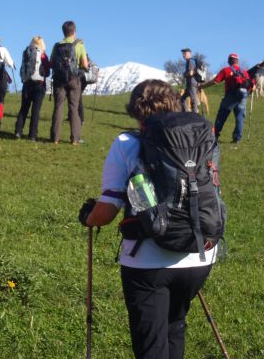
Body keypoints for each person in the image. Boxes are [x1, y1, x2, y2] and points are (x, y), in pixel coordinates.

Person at [79, 79, 218, 359]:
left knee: (151, 347)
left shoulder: (127, 143)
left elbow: (107, 211)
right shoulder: (202, 138)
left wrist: (87, 218)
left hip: (148, 261)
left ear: (135, 110)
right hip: (199, 255)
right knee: (175, 326)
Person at [199, 52, 253, 144]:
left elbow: (215, 82)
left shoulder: (226, 70)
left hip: (230, 96)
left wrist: (202, 86)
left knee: (221, 116)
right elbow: (251, 86)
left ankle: (215, 135)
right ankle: (237, 138)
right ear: (237, 61)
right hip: (242, 96)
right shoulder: (244, 72)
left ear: (229, 61)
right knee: (240, 117)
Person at [49, 20, 88, 145]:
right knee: (73, 108)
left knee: (58, 107)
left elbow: (51, 63)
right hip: (74, 80)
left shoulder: (56, 46)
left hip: (59, 80)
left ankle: (55, 138)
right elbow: (85, 64)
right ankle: (75, 139)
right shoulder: (79, 45)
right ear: (74, 32)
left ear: (64, 32)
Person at [15, 35, 50, 140]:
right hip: (39, 85)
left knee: (24, 109)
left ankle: (18, 131)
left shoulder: (26, 52)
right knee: (35, 111)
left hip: (26, 84)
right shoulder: (43, 55)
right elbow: (47, 72)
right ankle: (33, 135)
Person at [180, 48, 198, 114]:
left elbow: (191, 73)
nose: (183, 55)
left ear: (190, 53)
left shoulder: (190, 61)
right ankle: (186, 113)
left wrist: (184, 74)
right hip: (189, 83)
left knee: (193, 98)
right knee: (182, 99)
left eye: (185, 53)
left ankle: (194, 115)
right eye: (183, 53)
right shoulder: (188, 61)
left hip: (192, 82)